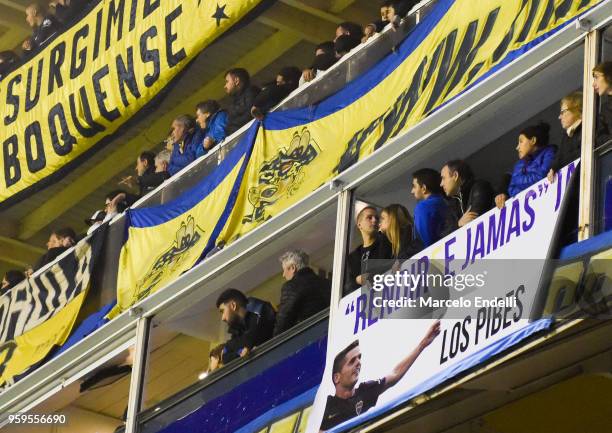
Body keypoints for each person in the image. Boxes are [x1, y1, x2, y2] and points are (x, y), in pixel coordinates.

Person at [319, 321, 441, 431]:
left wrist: (422, 344)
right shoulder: (325, 408)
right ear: (336, 378)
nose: (358, 363)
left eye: (359, 358)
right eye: (352, 361)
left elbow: (395, 374)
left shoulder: (365, 391)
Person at [495, 123, 557, 208]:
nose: (517, 147)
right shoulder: (519, 164)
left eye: (521, 141)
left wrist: (520, 182)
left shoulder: (550, 152)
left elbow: (542, 176)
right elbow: (512, 189)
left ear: (533, 140)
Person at [273, 250, 331, 336]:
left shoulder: (291, 286)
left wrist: (275, 341)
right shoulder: (325, 282)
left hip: (311, 335)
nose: (283, 275)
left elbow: (284, 319)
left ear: (292, 268)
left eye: (284, 270)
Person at [216, 289, 275, 363]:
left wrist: (242, 348)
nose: (223, 318)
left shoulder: (261, 313)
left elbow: (254, 336)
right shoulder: (236, 331)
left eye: (223, 311)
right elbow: (225, 357)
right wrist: (240, 351)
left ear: (233, 306)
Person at [345, 206, 393, 295]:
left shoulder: (387, 243)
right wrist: (357, 280)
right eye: (369, 217)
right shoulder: (353, 257)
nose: (374, 220)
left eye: (377, 218)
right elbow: (348, 287)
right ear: (359, 224)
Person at [440, 160, 494, 227]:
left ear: (455, 175)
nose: (441, 184)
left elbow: (473, 218)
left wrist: (457, 226)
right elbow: (444, 233)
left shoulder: (480, 187)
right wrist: (458, 224)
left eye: (443, 178)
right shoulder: (452, 204)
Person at [411, 168, 454, 247]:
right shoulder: (446, 202)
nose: (412, 191)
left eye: (414, 186)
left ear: (423, 188)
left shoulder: (422, 207)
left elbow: (425, 242)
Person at [548, 91, 583, 183]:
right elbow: (559, 157)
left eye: (563, 112)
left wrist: (559, 165)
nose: (560, 117)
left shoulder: (588, 126)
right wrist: (553, 168)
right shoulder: (566, 136)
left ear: (576, 109)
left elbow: (582, 153)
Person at [224, 68, 260, 135]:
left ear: (236, 81)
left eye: (227, 81)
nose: (225, 86)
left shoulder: (252, 92)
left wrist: (233, 123)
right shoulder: (234, 102)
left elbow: (250, 115)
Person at [592, 61, 612, 146]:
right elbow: (600, 140)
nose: (593, 84)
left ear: (608, 75)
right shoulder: (605, 110)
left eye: (596, 77)